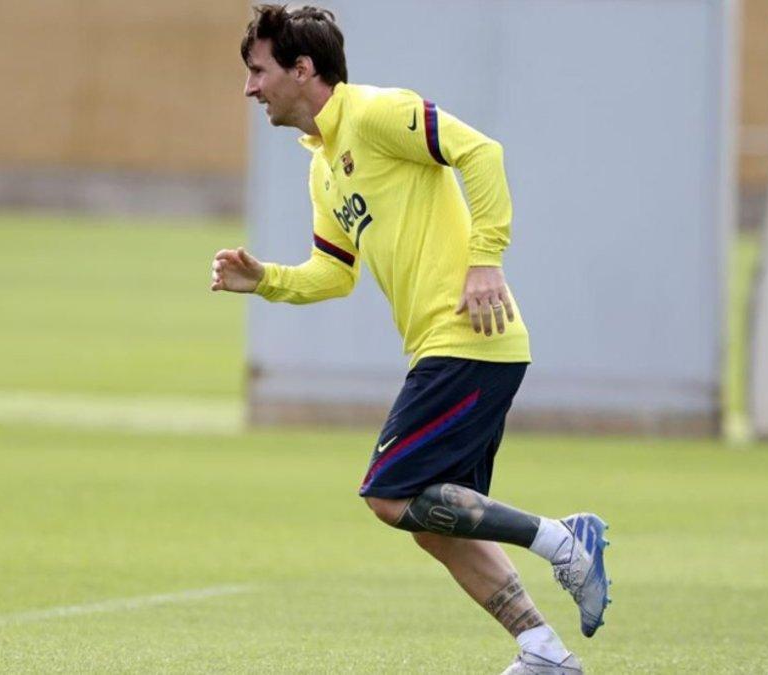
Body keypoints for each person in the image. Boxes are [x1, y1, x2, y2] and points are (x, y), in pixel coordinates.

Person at [210, 5, 611, 674]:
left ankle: (565, 539)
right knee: (432, 522)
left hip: (470, 338)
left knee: (388, 493)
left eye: (258, 71)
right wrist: (267, 280)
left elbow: (481, 152)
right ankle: (543, 650)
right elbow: (334, 275)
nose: (250, 88)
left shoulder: (373, 113)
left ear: (302, 70)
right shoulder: (322, 168)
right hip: (448, 346)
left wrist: (486, 257)